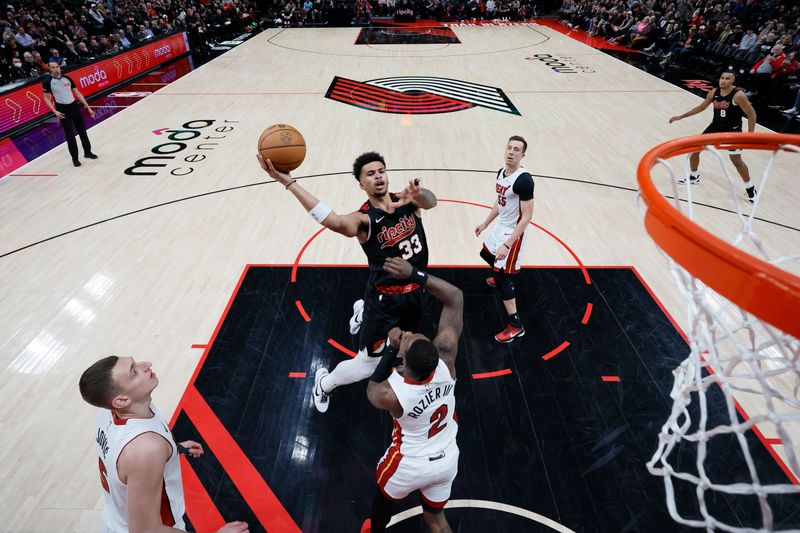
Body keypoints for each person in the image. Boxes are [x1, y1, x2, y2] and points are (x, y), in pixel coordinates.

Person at [257, 151, 438, 413]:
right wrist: (289, 182)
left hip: (415, 292)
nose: (378, 176)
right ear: (361, 184)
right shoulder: (364, 220)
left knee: (402, 347)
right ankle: (325, 383)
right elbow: (335, 221)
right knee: (368, 364)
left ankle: (360, 311)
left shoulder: (406, 202)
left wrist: (418, 194)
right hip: (385, 302)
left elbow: (431, 202)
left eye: (381, 171)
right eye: (370, 174)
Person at [79, 355, 249, 533]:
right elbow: (146, 530)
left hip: (114, 520)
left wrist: (175, 449)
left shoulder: (111, 414)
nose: (146, 364)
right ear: (121, 400)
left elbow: (124, 459)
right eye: (134, 371)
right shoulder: (147, 449)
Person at [364, 257, 463, 533]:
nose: (407, 334)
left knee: (382, 501)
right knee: (436, 520)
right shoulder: (447, 361)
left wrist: (389, 348)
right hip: (446, 459)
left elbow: (372, 391)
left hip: (409, 464)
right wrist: (415, 274)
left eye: (407, 340)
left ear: (404, 363)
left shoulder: (395, 394)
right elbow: (455, 297)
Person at [474, 136, 534, 343]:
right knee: (486, 253)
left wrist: (508, 244)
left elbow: (527, 217)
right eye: (509, 147)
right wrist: (485, 223)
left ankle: (516, 325)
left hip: (514, 232)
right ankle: (503, 277)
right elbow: (500, 202)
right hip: (501, 227)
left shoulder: (524, 180)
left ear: (522, 155)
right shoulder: (501, 172)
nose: (511, 152)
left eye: (516, 149)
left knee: (500, 275)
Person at [669, 69, 758, 203]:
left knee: (736, 160)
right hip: (715, 127)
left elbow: (752, 114)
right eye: (722, 77)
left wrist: (751, 135)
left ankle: (750, 188)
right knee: (695, 150)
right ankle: (694, 177)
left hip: (732, 131)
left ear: (733, 80)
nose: (723, 80)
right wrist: (681, 117)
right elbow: (701, 107)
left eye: (727, 78)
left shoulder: (738, 95)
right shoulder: (714, 92)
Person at [41, 61, 98, 167]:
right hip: (62, 109)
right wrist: (54, 111)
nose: (56, 69)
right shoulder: (47, 82)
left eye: (57, 67)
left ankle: (88, 153)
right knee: (70, 136)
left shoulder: (68, 79)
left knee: (82, 132)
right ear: (49, 69)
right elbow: (46, 98)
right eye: (53, 67)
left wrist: (88, 107)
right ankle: (75, 159)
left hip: (74, 107)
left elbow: (78, 93)